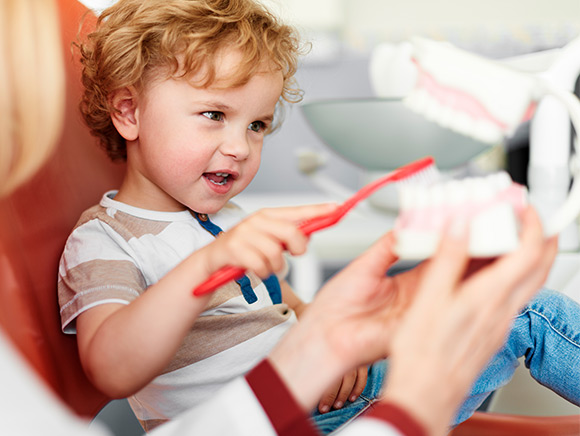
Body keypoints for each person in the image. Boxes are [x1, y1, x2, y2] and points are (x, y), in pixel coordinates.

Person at [0, 1, 565, 436]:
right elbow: (112, 367)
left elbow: (285, 308)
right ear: (129, 112)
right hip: (291, 421)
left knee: (483, 288)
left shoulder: (222, 221)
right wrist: (211, 267)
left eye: (257, 125)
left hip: (331, 399)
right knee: (526, 308)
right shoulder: (104, 239)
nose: (241, 146)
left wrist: (336, 343)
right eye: (214, 115)